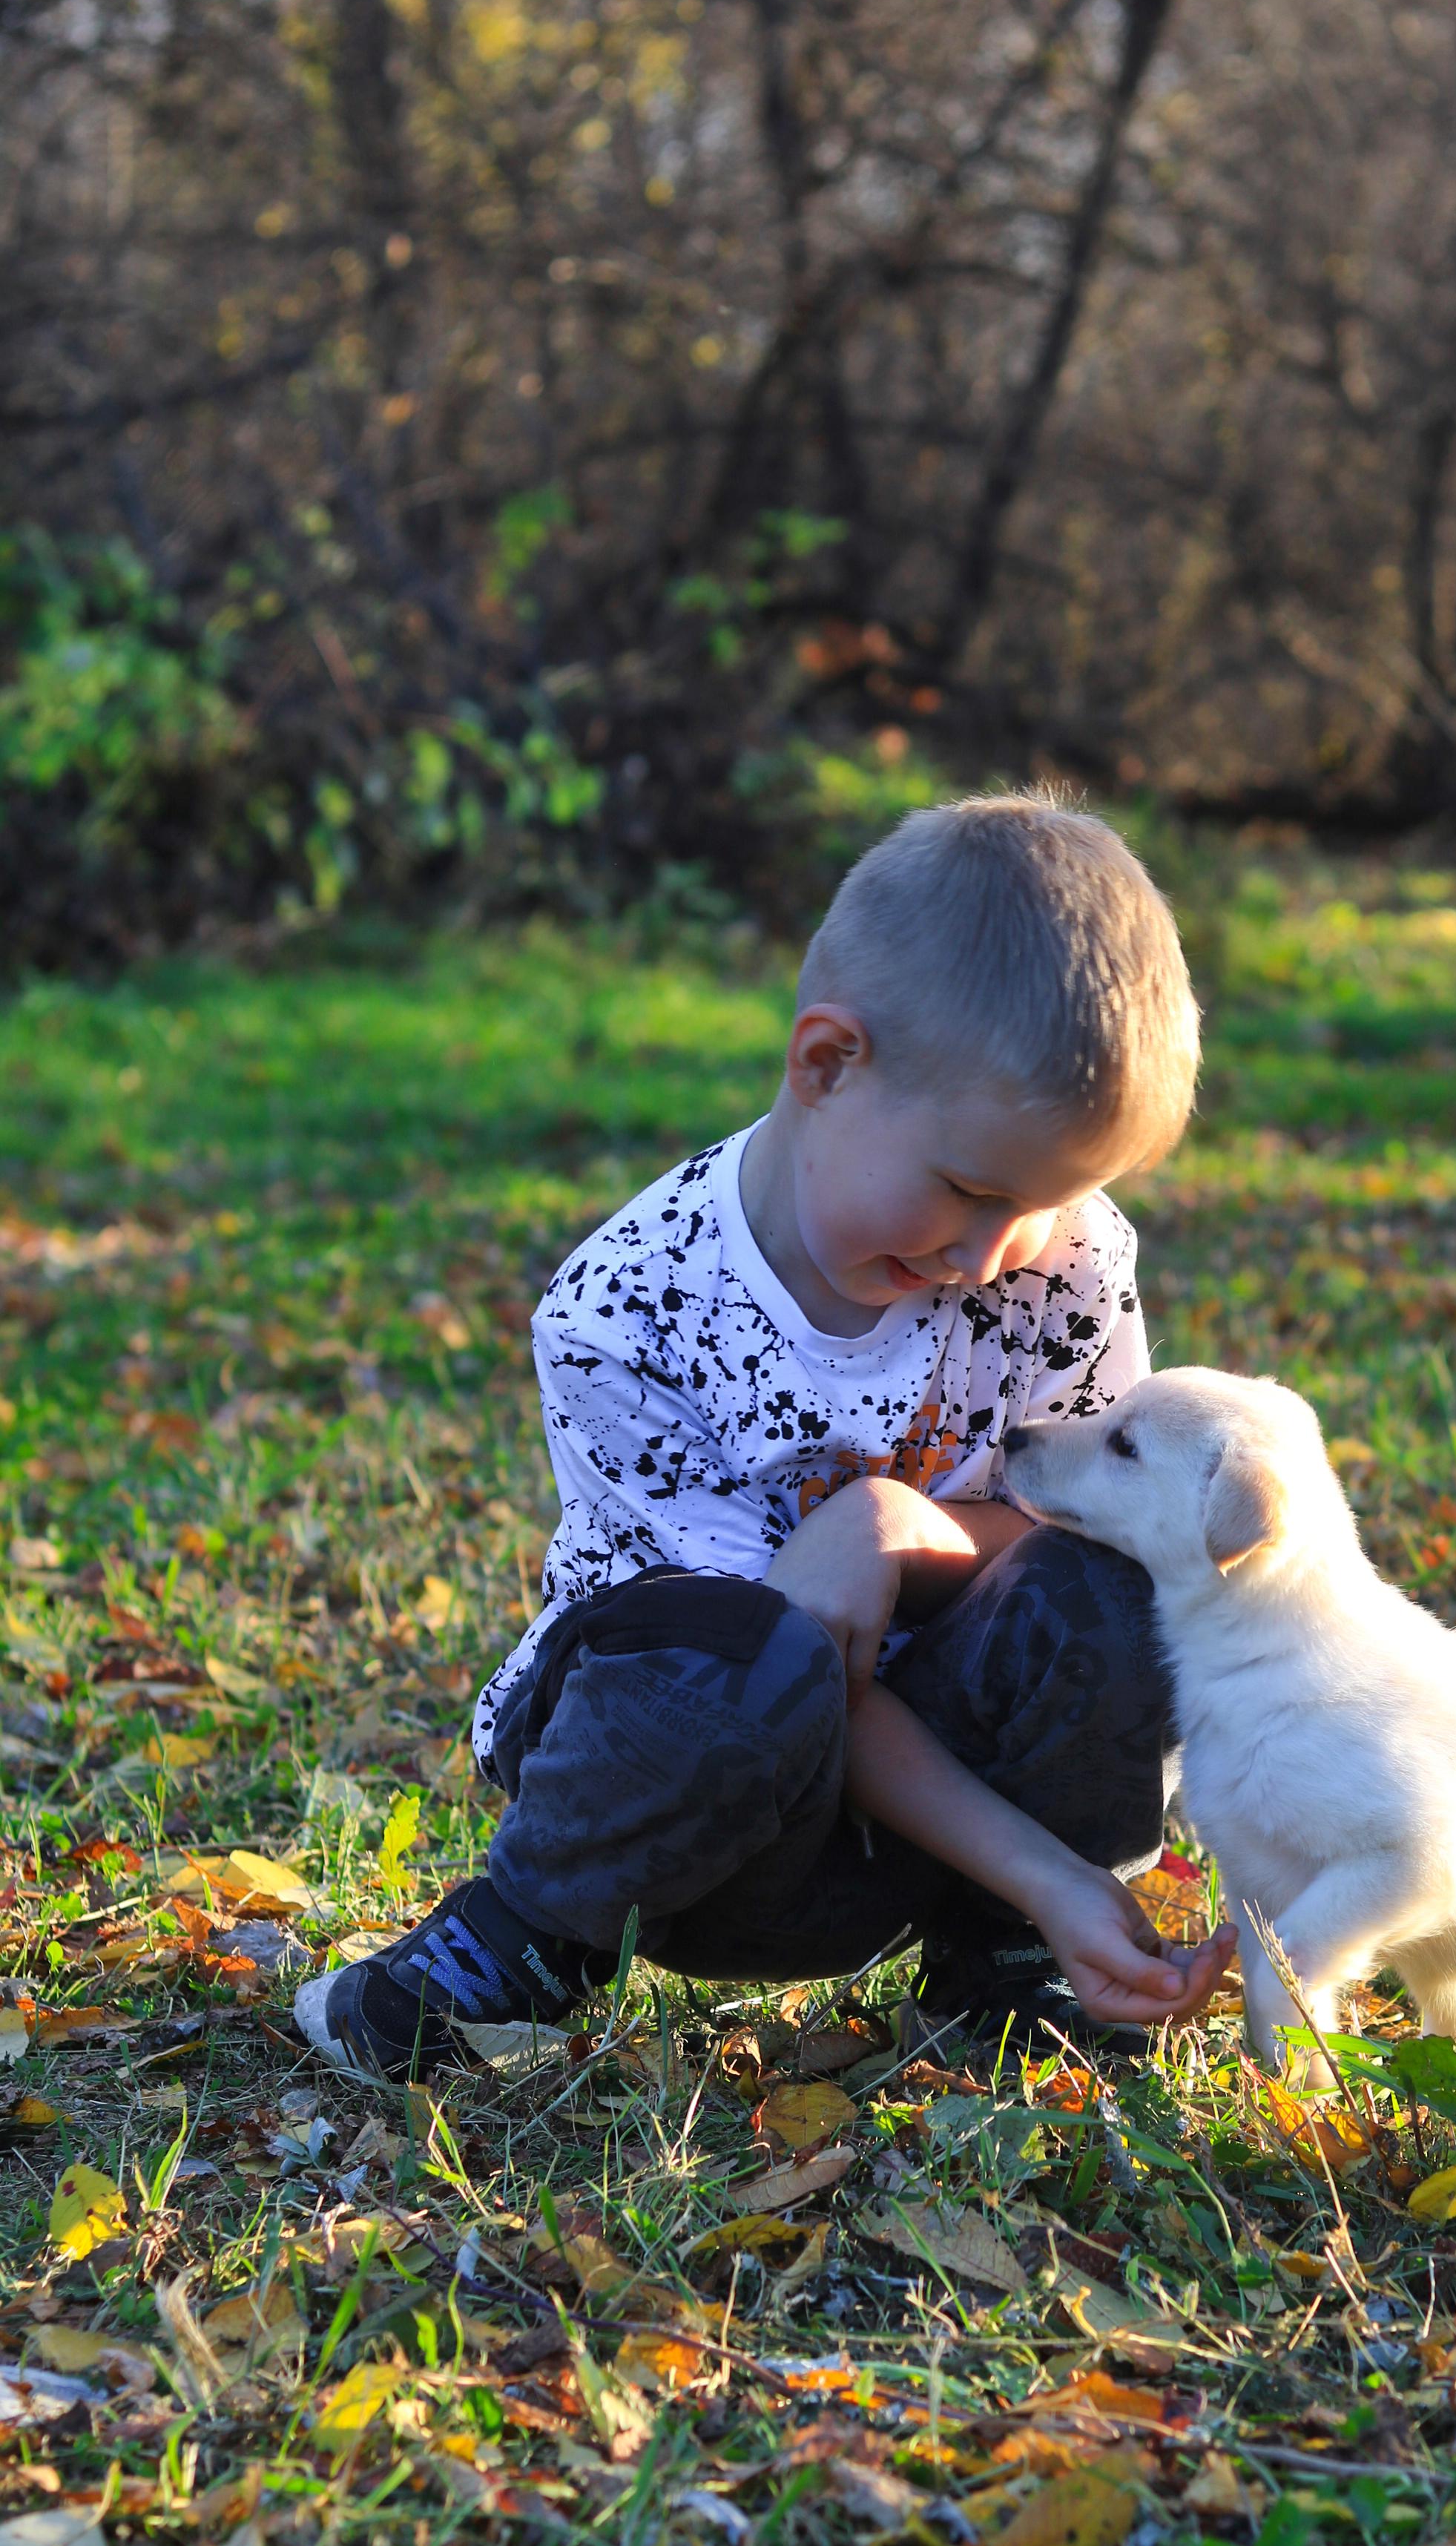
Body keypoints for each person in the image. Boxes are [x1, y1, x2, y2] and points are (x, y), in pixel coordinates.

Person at [294, 793, 1236, 2082]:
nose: (988, 1255)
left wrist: (904, 1528)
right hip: (698, 1827)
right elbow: (760, 1667)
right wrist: (1052, 1869)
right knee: (742, 1659)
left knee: (1121, 1586)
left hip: (944, 1809)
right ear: (827, 1062)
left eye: (1052, 1201)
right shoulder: (629, 1307)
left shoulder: (1060, 1261)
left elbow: (1084, 1524)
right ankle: (512, 1945)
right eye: (969, 1190)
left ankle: (1004, 1961)